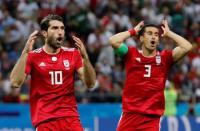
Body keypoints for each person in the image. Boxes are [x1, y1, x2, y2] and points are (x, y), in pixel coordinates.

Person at [10, 14, 96, 131]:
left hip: (70, 118)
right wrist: (25, 53)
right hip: (45, 120)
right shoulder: (33, 56)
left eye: (62, 28)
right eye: (55, 28)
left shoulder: (73, 54)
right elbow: (15, 83)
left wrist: (86, 58)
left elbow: (90, 84)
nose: (60, 32)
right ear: (45, 33)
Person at [109, 20, 192, 131]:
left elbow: (187, 47)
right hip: (130, 116)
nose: (153, 37)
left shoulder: (165, 58)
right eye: (149, 33)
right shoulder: (131, 54)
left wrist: (169, 33)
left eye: (156, 34)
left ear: (158, 40)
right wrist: (133, 31)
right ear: (141, 38)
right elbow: (113, 41)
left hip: (151, 119)